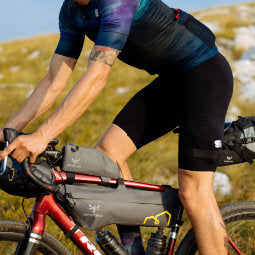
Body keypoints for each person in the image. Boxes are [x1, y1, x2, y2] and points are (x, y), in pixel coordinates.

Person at [0, 0, 234, 254]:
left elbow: (97, 76)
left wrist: (42, 136)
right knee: (109, 155)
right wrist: (7, 130)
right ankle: (134, 251)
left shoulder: (117, 3)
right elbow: (54, 81)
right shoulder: (71, 12)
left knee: (194, 192)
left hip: (204, 76)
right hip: (171, 82)